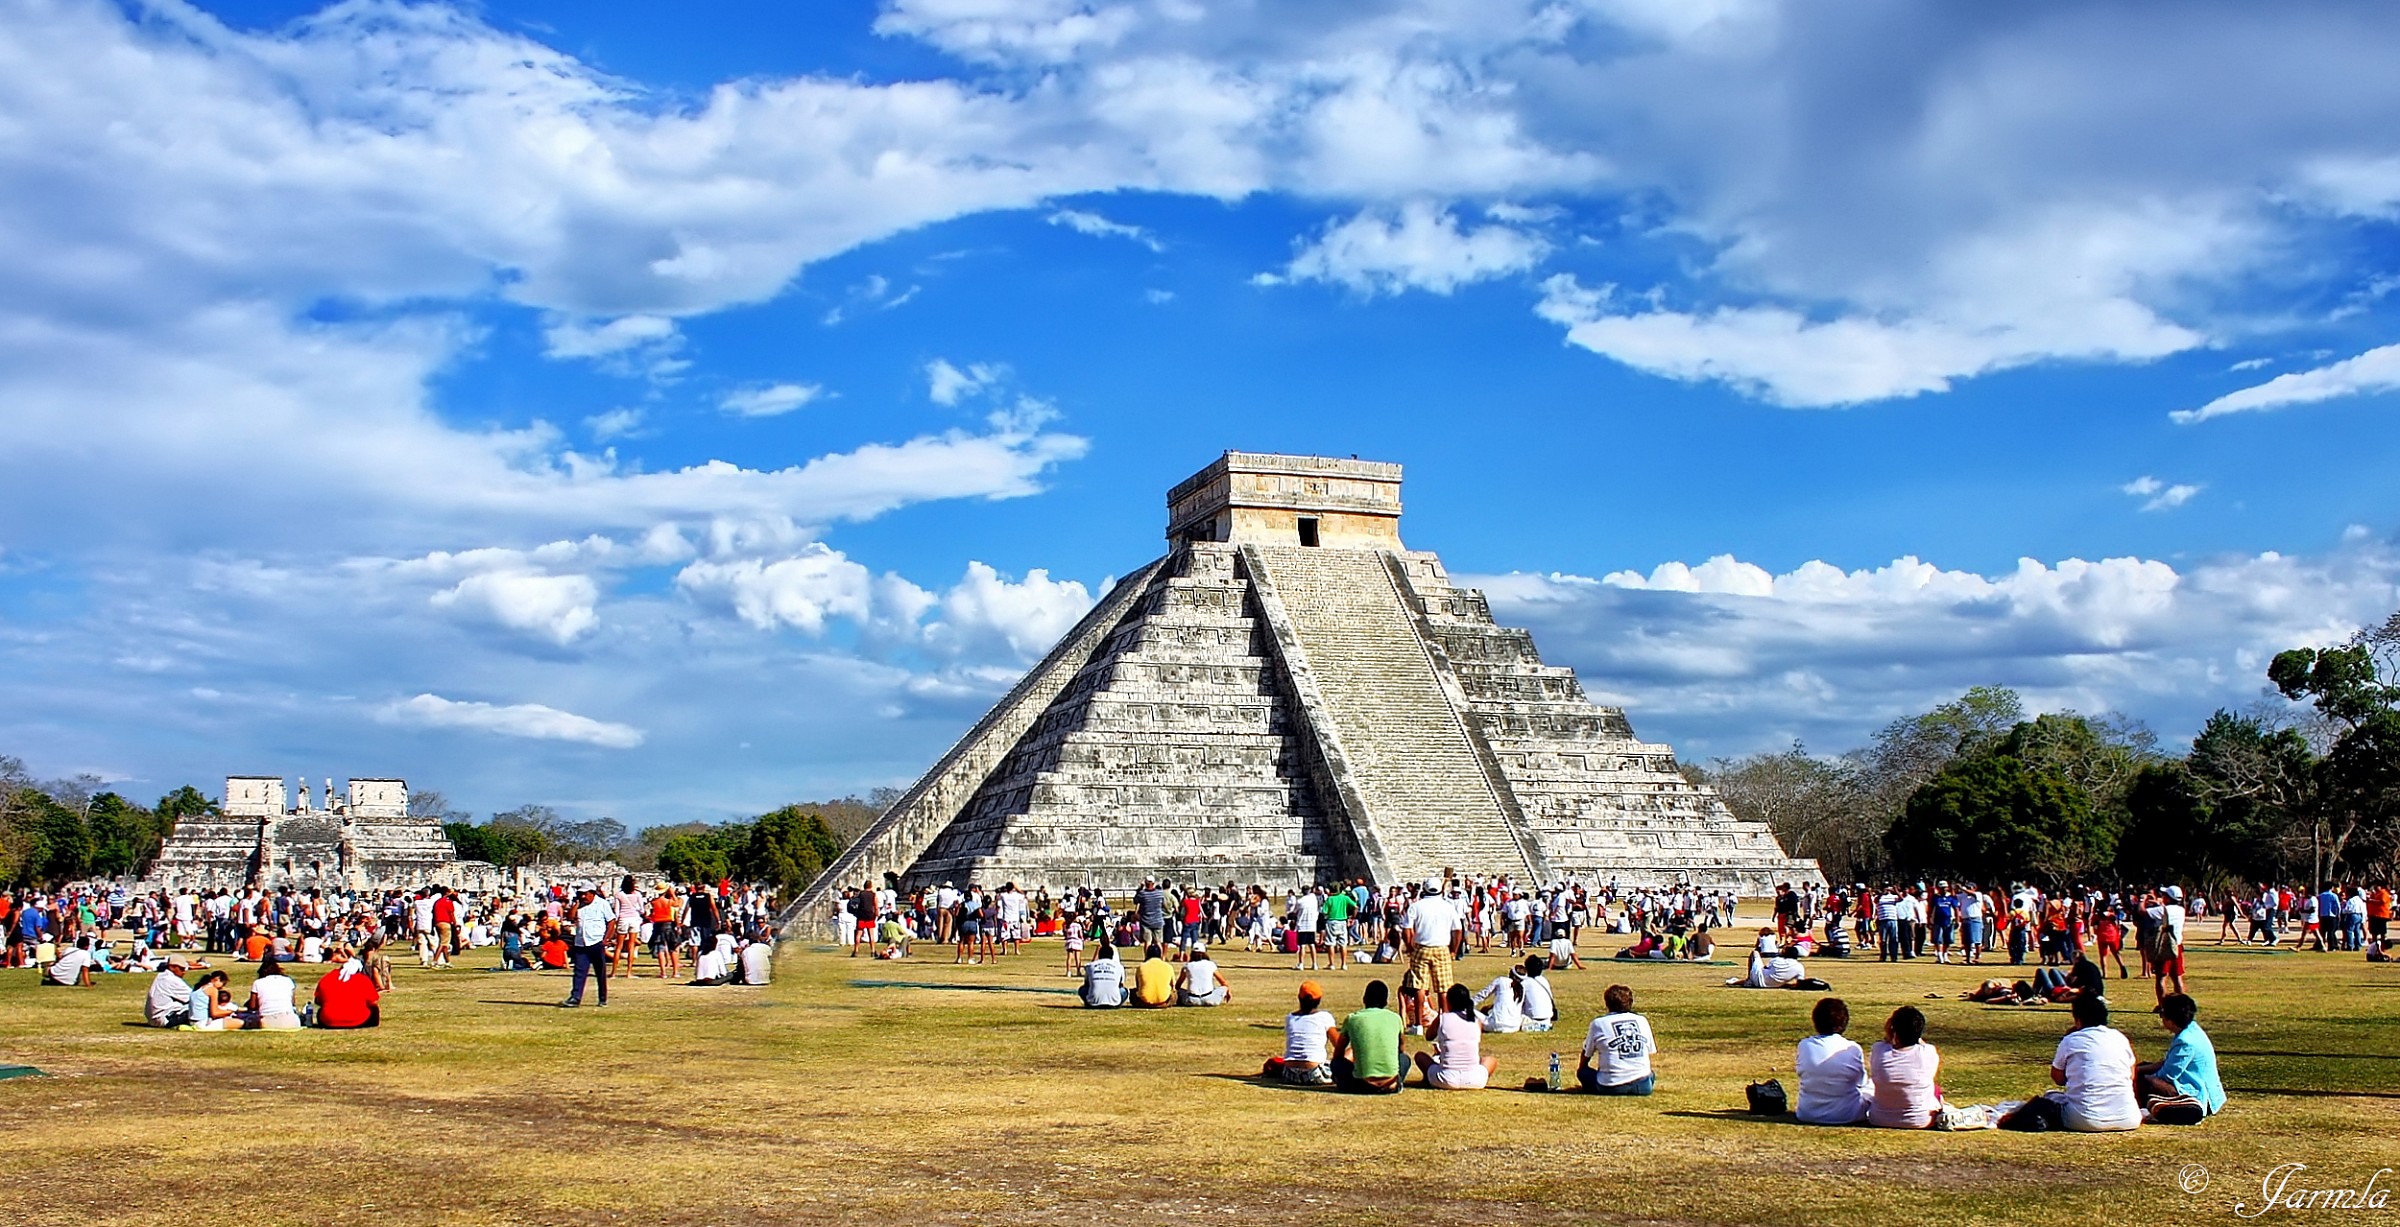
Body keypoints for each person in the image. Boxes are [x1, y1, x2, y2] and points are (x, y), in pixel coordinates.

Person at [2045, 995, 2143, 1131]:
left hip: (2085, 1119)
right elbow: (2131, 1075)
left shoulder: (2070, 1040)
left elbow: (2058, 1078)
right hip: (2128, 1118)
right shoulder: (2120, 1038)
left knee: (2051, 1097)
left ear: (2077, 1019)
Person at [2136, 992, 2224, 1122]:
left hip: (2199, 1097)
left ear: (2170, 1019)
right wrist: (2138, 1069)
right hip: (2199, 1089)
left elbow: (2166, 1076)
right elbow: (2166, 1063)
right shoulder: (2192, 1030)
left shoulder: (2185, 1041)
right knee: (2142, 1070)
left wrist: (2139, 1076)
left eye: (2162, 1014)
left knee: (2146, 1082)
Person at [1794, 997, 1871, 1125]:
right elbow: (1861, 1082)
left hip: (1807, 1113)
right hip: (1846, 1114)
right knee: (1872, 1085)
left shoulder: (1804, 1045)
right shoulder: (1852, 1048)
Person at [1867, 1006, 1941, 1128]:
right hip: (1920, 1120)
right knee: (1935, 1089)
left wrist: (1889, 1034)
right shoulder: (1928, 1052)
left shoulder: (1879, 1050)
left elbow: (1885, 1043)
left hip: (1878, 1118)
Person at [1576, 984, 1656, 1095]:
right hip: (1642, 1085)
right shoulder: (1642, 1020)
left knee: (1583, 1073)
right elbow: (1649, 1050)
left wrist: (1582, 1067)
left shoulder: (1599, 1023)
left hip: (1611, 1085)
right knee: (1651, 1074)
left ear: (1607, 1003)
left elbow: (1587, 1053)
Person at [1330, 980, 1406, 1094]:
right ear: (1385, 1001)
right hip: (1390, 1083)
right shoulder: (1395, 1018)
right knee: (1405, 1059)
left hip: (1361, 1084)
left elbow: (1338, 1054)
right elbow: (1401, 1050)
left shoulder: (1352, 1019)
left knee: (1336, 1064)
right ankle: (1393, 1081)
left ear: (1364, 999)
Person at [1416, 983, 1496, 1090]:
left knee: (1420, 1056)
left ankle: (1428, 1078)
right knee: (1490, 1060)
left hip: (1446, 1079)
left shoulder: (1442, 1018)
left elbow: (1429, 1036)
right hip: (1474, 1080)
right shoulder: (1476, 1021)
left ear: (1448, 1002)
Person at [1263, 981, 1339, 1086]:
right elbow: (1339, 1045)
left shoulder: (1290, 1018)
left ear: (1299, 998)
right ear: (1319, 999)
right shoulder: (1325, 1017)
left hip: (1289, 1073)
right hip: (1314, 1072)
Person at [561, 886, 613, 1008]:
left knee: (600, 971)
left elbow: (611, 921)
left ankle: (602, 997)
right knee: (579, 971)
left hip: (596, 940)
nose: (583, 897)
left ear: (592, 893)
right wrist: (576, 904)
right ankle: (575, 997)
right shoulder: (580, 905)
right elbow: (570, 917)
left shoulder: (602, 904)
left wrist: (606, 939)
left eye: (585, 894)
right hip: (581, 941)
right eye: (581, 894)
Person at [312, 960, 381, 1028]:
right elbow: (373, 1002)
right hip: (359, 1021)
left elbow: (318, 1001)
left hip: (328, 1021)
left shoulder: (327, 978)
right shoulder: (363, 979)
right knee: (374, 1009)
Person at [241, 957, 302, 1030]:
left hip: (267, 1022)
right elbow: (292, 1002)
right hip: (292, 1021)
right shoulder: (288, 980)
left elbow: (252, 1006)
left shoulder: (258, 982)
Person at [144, 955, 195, 1026]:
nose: (184, 972)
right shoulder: (171, 979)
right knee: (199, 1006)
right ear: (172, 967)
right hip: (165, 1018)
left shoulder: (161, 976)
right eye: (182, 969)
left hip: (154, 1018)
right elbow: (194, 997)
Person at [1515, 956, 1558, 1032]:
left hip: (1532, 1019)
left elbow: (1517, 1004)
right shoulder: (1544, 980)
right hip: (1547, 1019)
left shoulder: (1524, 983)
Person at [1078, 941, 1125, 1008]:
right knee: (1124, 991)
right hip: (1114, 1001)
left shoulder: (1091, 966)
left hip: (1093, 1001)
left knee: (1082, 990)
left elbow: (1086, 983)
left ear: (1099, 955)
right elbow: (1121, 985)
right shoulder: (1119, 967)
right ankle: (1116, 1005)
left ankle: (1089, 1003)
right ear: (1112, 956)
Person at [1130, 943, 1176, 1008]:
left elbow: (1138, 986)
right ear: (1160, 954)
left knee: (1132, 992)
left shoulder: (1141, 967)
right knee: (1175, 994)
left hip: (1144, 1002)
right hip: (1164, 1001)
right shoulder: (1168, 967)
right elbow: (1173, 986)